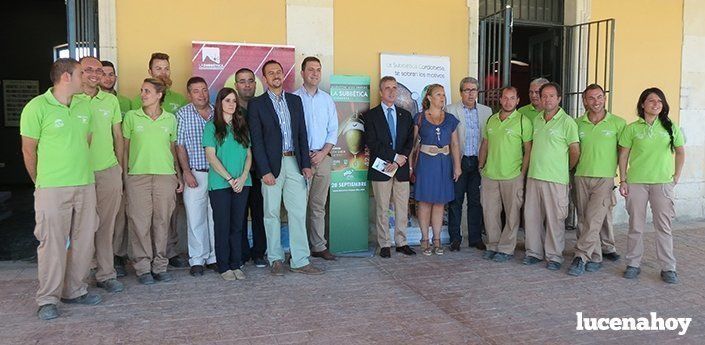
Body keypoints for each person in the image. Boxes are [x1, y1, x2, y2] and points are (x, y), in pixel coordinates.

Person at [20, 58, 101, 320]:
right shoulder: (36, 107)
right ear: (66, 76)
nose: (85, 78)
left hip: (85, 184)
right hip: (52, 188)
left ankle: (75, 290)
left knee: (84, 240)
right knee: (52, 244)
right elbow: (28, 150)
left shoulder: (83, 107)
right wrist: (39, 182)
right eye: (81, 73)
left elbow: (85, 141)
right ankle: (47, 299)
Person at [248, 60, 323, 275]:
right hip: (271, 166)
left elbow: (302, 134)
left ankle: (300, 259)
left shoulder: (295, 101)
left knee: (298, 212)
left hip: (294, 163)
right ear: (265, 78)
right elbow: (257, 140)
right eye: (270, 73)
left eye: (278, 72)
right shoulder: (257, 104)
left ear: (283, 75)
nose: (275, 76)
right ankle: (276, 258)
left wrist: (306, 165)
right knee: (271, 213)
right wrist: (264, 171)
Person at [618, 87, 685, 284]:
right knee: (636, 226)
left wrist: (676, 177)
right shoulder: (632, 128)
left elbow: (680, 152)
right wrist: (622, 180)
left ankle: (668, 268)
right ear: (642, 104)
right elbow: (623, 155)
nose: (656, 104)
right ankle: (633, 264)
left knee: (663, 227)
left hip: (662, 184)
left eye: (660, 101)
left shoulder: (670, 127)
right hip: (636, 183)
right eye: (651, 101)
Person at [123, 78, 183, 285]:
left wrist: (179, 175)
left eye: (147, 91)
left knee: (162, 221)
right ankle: (142, 267)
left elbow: (173, 149)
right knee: (139, 222)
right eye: (142, 91)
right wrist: (125, 176)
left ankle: (160, 265)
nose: (143, 94)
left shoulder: (170, 119)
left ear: (159, 95)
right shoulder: (131, 117)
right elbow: (124, 150)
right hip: (137, 177)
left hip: (165, 177)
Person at [131, 52, 189, 268]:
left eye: (166, 68)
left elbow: (176, 144)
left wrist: (180, 173)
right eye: (158, 68)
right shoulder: (136, 106)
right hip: (140, 172)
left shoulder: (178, 102)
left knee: (168, 217)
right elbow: (128, 143)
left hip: (167, 171)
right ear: (150, 71)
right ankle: (144, 262)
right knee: (142, 219)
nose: (163, 72)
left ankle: (168, 254)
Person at [76, 56, 125, 293]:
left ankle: (106, 274)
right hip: (78, 173)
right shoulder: (70, 99)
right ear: (79, 72)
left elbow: (118, 136)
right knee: (81, 227)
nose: (95, 74)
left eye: (99, 70)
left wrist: (119, 167)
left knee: (107, 226)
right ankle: (79, 277)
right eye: (89, 70)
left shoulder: (110, 101)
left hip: (108, 170)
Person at [567, 84, 626, 276]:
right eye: (591, 98)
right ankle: (597, 254)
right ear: (584, 101)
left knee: (594, 218)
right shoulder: (577, 123)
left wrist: (621, 176)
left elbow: (623, 152)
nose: (596, 102)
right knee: (584, 217)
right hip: (581, 176)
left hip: (605, 178)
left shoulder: (618, 123)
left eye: (599, 97)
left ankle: (582, 256)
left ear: (605, 99)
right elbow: (572, 151)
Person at [523, 82, 580, 270]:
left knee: (555, 219)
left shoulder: (567, 122)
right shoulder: (537, 120)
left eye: (551, 96)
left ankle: (554, 256)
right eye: (544, 96)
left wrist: (565, 169)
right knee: (532, 217)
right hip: (534, 176)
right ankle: (534, 253)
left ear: (559, 99)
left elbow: (574, 151)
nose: (547, 99)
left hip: (556, 179)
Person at [478, 86, 533, 262]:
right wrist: (481, 166)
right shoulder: (491, 120)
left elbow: (528, 150)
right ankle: (493, 245)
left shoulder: (523, 121)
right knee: (490, 212)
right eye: (505, 98)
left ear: (517, 101)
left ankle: (506, 249)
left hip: (512, 175)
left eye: (512, 98)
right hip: (490, 175)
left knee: (512, 214)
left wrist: (522, 175)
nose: (508, 101)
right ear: (500, 100)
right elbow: (485, 144)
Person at [364, 76, 416, 258]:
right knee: (382, 208)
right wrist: (394, 157)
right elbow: (372, 142)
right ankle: (384, 244)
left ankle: (401, 242)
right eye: (387, 88)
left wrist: (400, 160)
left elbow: (411, 140)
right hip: (381, 169)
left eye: (394, 88)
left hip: (400, 168)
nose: (392, 91)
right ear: (380, 92)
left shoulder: (405, 115)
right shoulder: (370, 116)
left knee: (402, 207)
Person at [203, 88, 252, 281]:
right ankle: (224, 266)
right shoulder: (212, 127)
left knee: (237, 226)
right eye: (227, 100)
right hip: (221, 184)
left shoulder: (242, 126)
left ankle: (236, 263)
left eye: (234, 101)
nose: (231, 104)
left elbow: (249, 155)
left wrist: (242, 177)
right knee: (222, 226)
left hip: (242, 183)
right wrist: (231, 179)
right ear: (220, 103)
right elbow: (211, 157)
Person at [293, 57, 339, 260]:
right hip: (300, 160)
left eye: (318, 70)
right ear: (302, 73)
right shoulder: (293, 99)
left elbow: (333, 130)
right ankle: (300, 248)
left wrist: (322, 153)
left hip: (323, 157)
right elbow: (291, 133)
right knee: (298, 206)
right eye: (310, 69)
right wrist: (305, 157)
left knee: (318, 205)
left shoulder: (327, 99)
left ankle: (318, 246)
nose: (315, 73)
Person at [411, 84, 461, 255]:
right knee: (425, 202)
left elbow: (455, 143)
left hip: (444, 163)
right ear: (429, 98)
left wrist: (457, 166)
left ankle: (437, 240)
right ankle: (424, 239)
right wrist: (410, 166)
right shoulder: (419, 118)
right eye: (438, 94)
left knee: (440, 203)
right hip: (426, 163)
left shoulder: (451, 119)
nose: (442, 97)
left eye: (443, 94)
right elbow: (412, 144)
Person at [446, 77, 492, 251]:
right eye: (467, 90)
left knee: (475, 201)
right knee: (456, 201)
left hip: (478, 161)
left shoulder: (486, 111)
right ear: (461, 92)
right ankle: (455, 239)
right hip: (459, 160)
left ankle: (475, 238)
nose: (471, 93)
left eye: (474, 90)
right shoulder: (451, 110)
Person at [176, 77, 216, 277]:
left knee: (216, 217)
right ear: (189, 94)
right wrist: (186, 171)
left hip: (218, 174)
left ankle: (215, 258)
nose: (201, 95)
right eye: (196, 91)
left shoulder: (218, 112)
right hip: (195, 174)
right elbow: (180, 145)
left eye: (204, 90)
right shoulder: (182, 114)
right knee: (195, 218)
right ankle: (198, 259)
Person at [234, 68, 267, 268]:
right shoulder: (231, 109)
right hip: (238, 172)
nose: (247, 85)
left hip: (260, 171)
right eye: (242, 81)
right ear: (236, 85)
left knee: (259, 214)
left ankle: (259, 253)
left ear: (256, 84)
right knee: (238, 215)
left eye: (250, 81)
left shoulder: (263, 106)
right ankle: (242, 253)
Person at [100, 61, 130, 276]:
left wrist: (122, 167)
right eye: (104, 74)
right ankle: (96, 261)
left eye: (112, 74)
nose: (108, 78)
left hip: (114, 164)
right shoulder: (82, 102)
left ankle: (118, 256)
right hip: (93, 166)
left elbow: (124, 136)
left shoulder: (125, 102)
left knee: (118, 215)